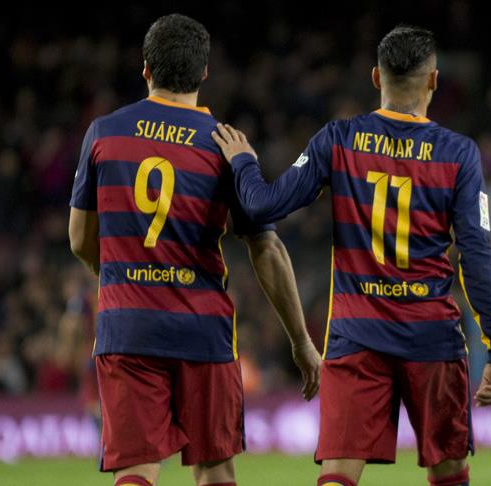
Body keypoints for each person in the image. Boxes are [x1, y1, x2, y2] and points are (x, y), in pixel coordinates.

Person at [212, 24, 491, 486]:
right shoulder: (459, 154)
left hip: (357, 335)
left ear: (376, 77)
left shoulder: (339, 139)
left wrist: (243, 162)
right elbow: (475, 254)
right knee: (449, 470)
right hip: (432, 336)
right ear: (434, 80)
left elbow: (262, 207)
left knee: (339, 472)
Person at [68, 14, 321, 486]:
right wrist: (301, 341)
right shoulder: (225, 145)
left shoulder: (103, 132)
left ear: (146, 68)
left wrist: (125, 280)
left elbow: (79, 239)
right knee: (215, 468)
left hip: (127, 327)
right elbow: (266, 248)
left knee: (135, 469)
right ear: (205, 72)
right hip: (202, 329)